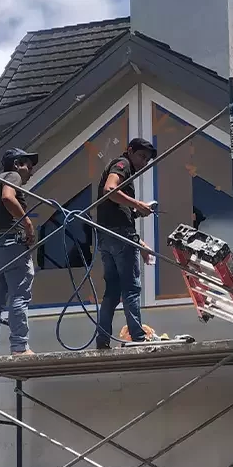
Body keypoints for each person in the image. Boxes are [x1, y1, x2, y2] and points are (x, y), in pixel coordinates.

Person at [94, 138, 158, 349]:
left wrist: (135, 212)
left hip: (106, 236)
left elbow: (117, 212)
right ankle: (138, 339)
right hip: (119, 235)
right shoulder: (122, 165)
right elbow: (110, 189)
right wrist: (138, 204)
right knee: (130, 289)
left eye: (147, 160)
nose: (143, 163)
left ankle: (102, 340)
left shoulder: (125, 166)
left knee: (112, 290)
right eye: (141, 156)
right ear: (130, 151)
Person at [0, 147, 38, 357]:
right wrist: (28, 224)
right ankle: (20, 347)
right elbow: (7, 198)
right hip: (11, 243)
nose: (31, 172)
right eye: (28, 166)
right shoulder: (11, 176)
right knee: (19, 295)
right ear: (16, 164)